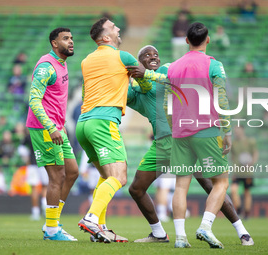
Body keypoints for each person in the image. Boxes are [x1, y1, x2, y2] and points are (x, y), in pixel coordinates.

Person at [127, 46, 253, 246]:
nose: (153, 57)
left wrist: (147, 74)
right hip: (163, 143)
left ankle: (242, 231)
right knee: (136, 188)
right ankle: (159, 233)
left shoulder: (168, 70)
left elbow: (178, 80)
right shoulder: (136, 92)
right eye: (147, 55)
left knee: (211, 185)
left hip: (183, 138)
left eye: (156, 54)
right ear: (138, 62)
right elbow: (123, 94)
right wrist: (128, 76)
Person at [76, 17, 153, 243]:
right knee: (119, 176)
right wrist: (142, 79)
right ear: (106, 37)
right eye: (113, 27)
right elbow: (146, 85)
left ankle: (100, 228)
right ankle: (91, 218)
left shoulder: (86, 60)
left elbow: (86, 90)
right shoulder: (124, 57)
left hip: (84, 124)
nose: (118, 28)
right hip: (103, 122)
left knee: (105, 176)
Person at [167, 22, 231, 249]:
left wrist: (173, 127)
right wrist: (228, 130)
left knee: (181, 185)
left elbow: (169, 105)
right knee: (221, 181)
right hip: (206, 130)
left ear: (186, 41)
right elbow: (221, 99)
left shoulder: (172, 67)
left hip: (180, 132)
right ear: (208, 39)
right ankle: (205, 226)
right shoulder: (214, 65)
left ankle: (180, 238)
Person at [26, 27, 79, 241]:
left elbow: (54, 99)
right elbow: (34, 100)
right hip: (44, 128)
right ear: (54, 43)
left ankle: (53, 221)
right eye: (66, 38)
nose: (71, 41)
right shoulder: (46, 67)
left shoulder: (62, 64)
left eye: (72, 38)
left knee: (73, 172)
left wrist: (61, 123)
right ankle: (51, 229)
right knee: (57, 177)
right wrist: (51, 127)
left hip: (57, 126)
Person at [18, 128, 49, 221]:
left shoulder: (29, 135)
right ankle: (45, 206)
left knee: (34, 188)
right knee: (46, 187)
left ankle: (35, 213)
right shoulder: (44, 134)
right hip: (44, 163)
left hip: (32, 164)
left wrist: (26, 157)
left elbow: (21, 149)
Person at [230, 125, 259, 219]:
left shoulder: (250, 142)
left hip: (247, 172)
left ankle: (246, 213)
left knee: (247, 192)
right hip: (237, 172)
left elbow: (255, 153)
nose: (236, 132)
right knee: (233, 190)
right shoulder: (234, 143)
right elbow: (233, 156)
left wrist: (251, 163)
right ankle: (238, 211)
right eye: (235, 130)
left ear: (242, 130)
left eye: (237, 130)